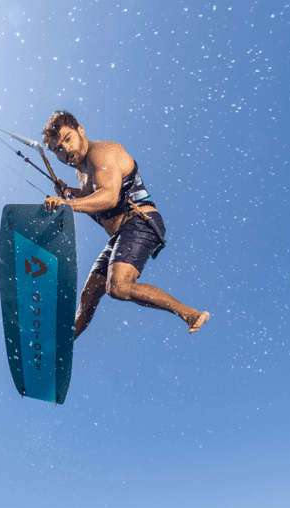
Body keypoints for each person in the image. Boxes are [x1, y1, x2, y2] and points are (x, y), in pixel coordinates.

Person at [40, 111, 209, 338]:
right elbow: (94, 198)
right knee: (88, 297)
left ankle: (190, 314)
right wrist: (70, 192)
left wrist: (67, 203)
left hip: (140, 221)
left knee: (119, 287)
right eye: (58, 149)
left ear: (80, 130)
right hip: (120, 234)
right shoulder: (83, 173)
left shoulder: (102, 153)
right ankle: (61, 345)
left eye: (68, 139)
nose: (66, 150)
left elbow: (109, 197)